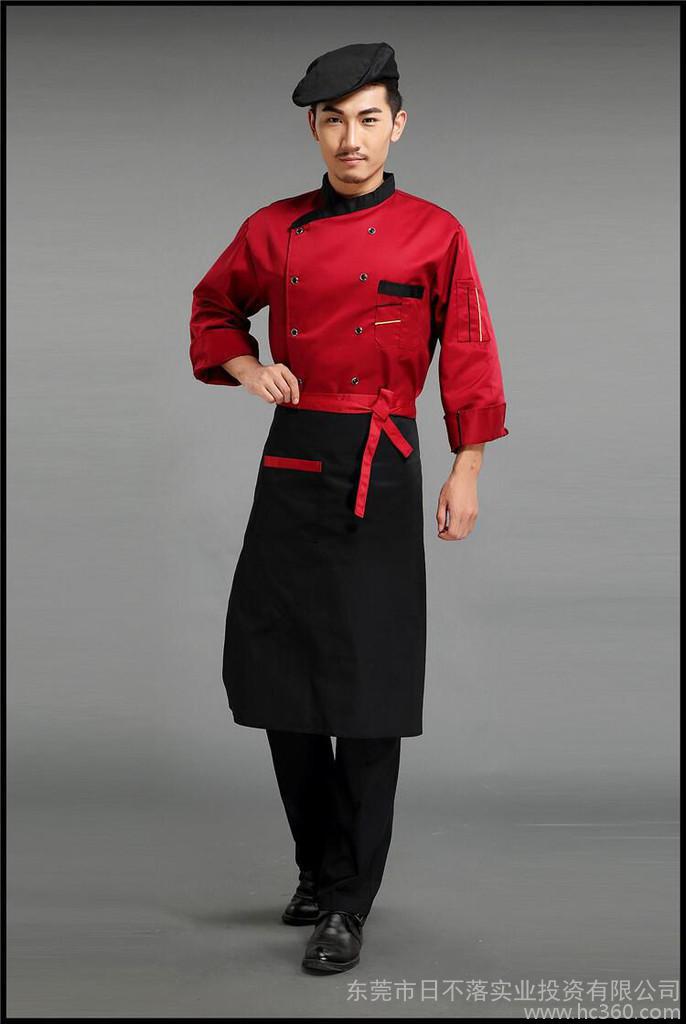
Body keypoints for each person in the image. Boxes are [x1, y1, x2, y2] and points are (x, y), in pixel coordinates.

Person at [189, 40, 509, 975]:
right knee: (282, 683)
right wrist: (246, 364)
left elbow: (470, 351)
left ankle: (347, 903)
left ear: (397, 125)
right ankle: (318, 867)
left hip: (385, 461)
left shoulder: (436, 233)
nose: (351, 138)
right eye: (334, 121)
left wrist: (468, 468)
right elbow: (213, 309)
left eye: (369, 119)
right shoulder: (274, 229)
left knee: (368, 694)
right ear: (314, 129)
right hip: (293, 459)